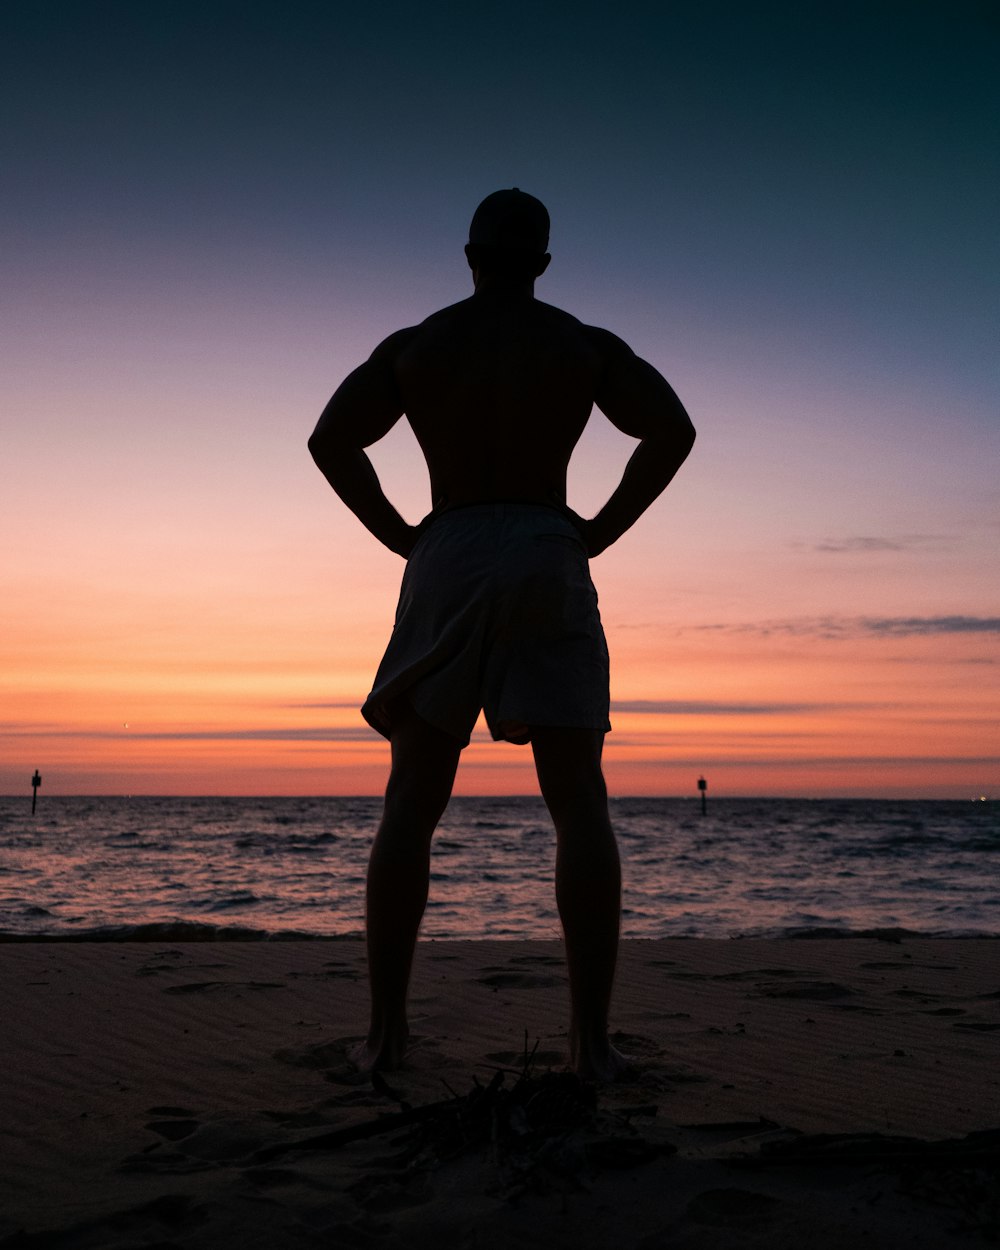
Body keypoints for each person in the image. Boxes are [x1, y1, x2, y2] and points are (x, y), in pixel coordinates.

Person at [308, 189, 695, 1080]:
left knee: (412, 800)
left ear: (471, 257)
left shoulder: (417, 347)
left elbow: (333, 438)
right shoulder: (581, 345)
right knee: (578, 804)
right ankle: (590, 1044)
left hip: (447, 543)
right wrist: (596, 528)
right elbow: (671, 429)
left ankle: (386, 1037)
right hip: (543, 540)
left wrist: (401, 532)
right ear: (544, 264)